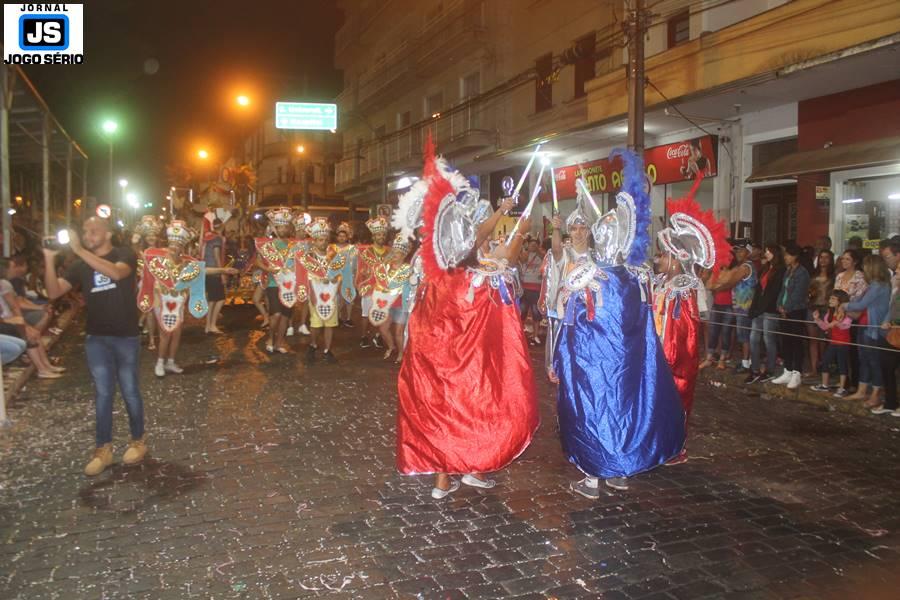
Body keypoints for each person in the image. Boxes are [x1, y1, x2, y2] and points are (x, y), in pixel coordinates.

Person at [394, 144, 538, 500]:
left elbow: (481, 247)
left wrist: (509, 223)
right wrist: (516, 229)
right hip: (456, 368)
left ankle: (463, 472)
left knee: (453, 410)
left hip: (442, 366)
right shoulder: (462, 277)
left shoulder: (437, 273)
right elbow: (481, 248)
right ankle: (449, 475)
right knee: (466, 407)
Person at [546, 150, 685, 497]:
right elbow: (647, 330)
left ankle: (593, 477)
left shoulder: (585, 276)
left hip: (592, 368)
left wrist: (560, 361)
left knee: (594, 413)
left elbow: (570, 325)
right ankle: (619, 471)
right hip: (627, 369)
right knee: (623, 412)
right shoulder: (637, 277)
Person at [43, 217, 146, 476]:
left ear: (108, 233)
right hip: (96, 338)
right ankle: (103, 450)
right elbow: (54, 292)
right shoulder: (80, 266)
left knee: (130, 390)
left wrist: (78, 249)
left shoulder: (124, 254)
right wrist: (47, 258)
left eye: (93, 230)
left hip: (125, 336)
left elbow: (116, 273)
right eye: (85, 231)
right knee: (102, 394)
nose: (87, 235)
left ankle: (138, 441)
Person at [654, 179, 730, 463]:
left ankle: (675, 448)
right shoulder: (661, 282)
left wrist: (666, 357)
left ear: (675, 259)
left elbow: (683, 331)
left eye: (663, 254)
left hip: (676, 360)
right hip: (660, 354)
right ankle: (660, 444)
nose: (658, 259)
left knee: (675, 402)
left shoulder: (684, 287)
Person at [137, 221, 237, 377]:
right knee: (165, 333)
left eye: (178, 244)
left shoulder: (187, 262)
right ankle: (160, 362)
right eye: (172, 243)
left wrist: (223, 269)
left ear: (182, 246)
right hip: (161, 301)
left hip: (177, 303)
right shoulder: (156, 256)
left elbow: (202, 270)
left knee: (176, 333)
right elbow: (143, 261)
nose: (174, 247)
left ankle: (170, 362)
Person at [297, 218, 354, 364]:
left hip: (331, 294)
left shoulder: (333, 255)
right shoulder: (309, 257)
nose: (323, 242)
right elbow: (306, 277)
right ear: (314, 241)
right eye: (320, 240)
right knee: (316, 324)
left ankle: (327, 350)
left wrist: (336, 280)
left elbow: (339, 273)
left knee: (330, 323)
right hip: (315, 293)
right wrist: (312, 295)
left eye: (325, 239)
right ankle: (313, 344)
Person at [0, 259, 61, 378]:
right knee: (30, 336)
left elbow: (14, 305)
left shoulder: (3, 283)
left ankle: (46, 365)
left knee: (35, 333)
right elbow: (14, 307)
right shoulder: (5, 284)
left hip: (7, 320)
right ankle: (41, 368)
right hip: (6, 321)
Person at [845, 255, 891, 407]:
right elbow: (858, 302)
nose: (863, 269)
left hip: (872, 328)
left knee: (873, 361)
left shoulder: (879, 285)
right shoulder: (872, 285)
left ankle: (876, 394)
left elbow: (860, 304)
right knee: (863, 359)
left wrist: (845, 305)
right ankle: (862, 390)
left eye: (865, 266)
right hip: (864, 326)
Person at [708, 240, 756, 373]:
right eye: (737, 251)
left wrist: (716, 288)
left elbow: (730, 283)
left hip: (745, 306)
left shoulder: (746, 266)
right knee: (743, 335)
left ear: (748, 252)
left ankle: (746, 363)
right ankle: (747, 361)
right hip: (741, 306)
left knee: (744, 336)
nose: (738, 253)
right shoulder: (743, 265)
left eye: (741, 250)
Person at [255, 208, 299, 354]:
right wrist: (268, 270)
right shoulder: (268, 245)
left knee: (286, 315)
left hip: (290, 285)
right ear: (275, 228)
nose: (282, 229)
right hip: (274, 283)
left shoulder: (295, 245)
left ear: (289, 228)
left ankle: (280, 342)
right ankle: (270, 338)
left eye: (285, 226)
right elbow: (258, 262)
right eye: (279, 226)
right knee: (276, 314)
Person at [769, 245, 811, 389]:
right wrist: (779, 305)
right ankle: (787, 370)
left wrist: (787, 308)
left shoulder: (802, 273)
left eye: (787, 255)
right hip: (784, 310)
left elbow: (798, 294)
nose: (785, 257)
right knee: (785, 340)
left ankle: (796, 372)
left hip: (796, 311)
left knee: (796, 341)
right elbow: (782, 290)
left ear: (795, 256)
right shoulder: (788, 271)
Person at [368, 233, 413, 362]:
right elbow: (376, 279)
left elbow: (399, 284)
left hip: (401, 305)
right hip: (385, 304)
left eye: (397, 253)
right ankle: (391, 347)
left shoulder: (408, 269)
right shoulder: (385, 267)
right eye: (393, 253)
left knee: (398, 332)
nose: (394, 255)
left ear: (403, 255)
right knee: (383, 329)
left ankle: (401, 354)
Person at [746, 245, 785, 384]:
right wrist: (753, 308)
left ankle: (770, 370)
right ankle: (755, 369)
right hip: (759, 309)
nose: (766, 253)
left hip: (770, 310)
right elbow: (759, 289)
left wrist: (760, 308)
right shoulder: (765, 269)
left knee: (769, 340)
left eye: (769, 251)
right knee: (754, 339)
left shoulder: (780, 270)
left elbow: (774, 292)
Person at [356, 217, 392, 349]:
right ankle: (364, 336)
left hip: (383, 289)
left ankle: (377, 335)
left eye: (383, 234)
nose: (381, 236)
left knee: (380, 313)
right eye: (378, 234)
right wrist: (363, 276)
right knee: (366, 314)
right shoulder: (366, 252)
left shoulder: (389, 252)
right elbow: (360, 269)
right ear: (373, 236)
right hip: (369, 287)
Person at [835, 249, 867, 389]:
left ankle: (855, 380)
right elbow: (835, 294)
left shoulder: (861, 277)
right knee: (840, 349)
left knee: (853, 350)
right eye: (843, 259)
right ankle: (843, 378)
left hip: (853, 315)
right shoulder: (839, 276)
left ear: (855, 261)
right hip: (839, 315)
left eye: (847, 259)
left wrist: (846, 307)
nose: (844, 261)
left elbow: (860, 297)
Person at [810, 290, 852, 396]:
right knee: (825, 361)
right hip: (833, 342)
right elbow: (825, 326)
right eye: (830, 298)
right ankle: (825, 385)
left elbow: (847, 325)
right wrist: (817, 319)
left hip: (843, 343)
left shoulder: (847, 313)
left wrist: (837, 324)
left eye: (833, 298)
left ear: (840, 301)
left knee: (842, 365)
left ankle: (842, 388)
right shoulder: (830, 313)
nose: (830, 300)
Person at [874, 239, 899, 416]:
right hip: (891, 328)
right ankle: (890, 402)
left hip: (896, 326)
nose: (886, 260)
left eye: (888, 256)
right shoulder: (894, 275)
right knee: (886, 364)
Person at [133, 216, 161, 350]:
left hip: (160, 286)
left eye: (153, 235)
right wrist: (135, 239)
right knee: (149, 312)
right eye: (148, 235)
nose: (151, 238)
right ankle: (151, 339)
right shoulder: (141, 252)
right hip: (145, 284)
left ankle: (160, 335)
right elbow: (134, 252)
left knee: (158, 312)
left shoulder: (162, 252)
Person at [806, 250, 835, 377]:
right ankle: (813, 368)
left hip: (826, 309)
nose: (823, 260)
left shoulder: (834, 276)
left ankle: (824, 367)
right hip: (812, 307)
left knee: (824, 340)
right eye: (821, 257)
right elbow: (807, 292)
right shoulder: (813, 274)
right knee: (813, 340)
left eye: (826, 257)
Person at [202, 218, 227, 334]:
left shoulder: (208, 237)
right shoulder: (217, 238)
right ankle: (212, 325)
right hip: (215, 271)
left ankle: (208, 326)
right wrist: (222, 273)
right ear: (222, 226)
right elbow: (217, 256)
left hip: (207, 270)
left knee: (212, 300)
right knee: (221, 299)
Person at [331, 222, 357, 328]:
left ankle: (348, 318)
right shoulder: (332, 248)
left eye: (344, 236)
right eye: (340, 236)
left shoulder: (352, 248)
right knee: (338, 298)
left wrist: (354, 276)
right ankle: (338, 317)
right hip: (336, 278)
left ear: (347, 237)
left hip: (349, 277)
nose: (341, 238)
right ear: (337, 237)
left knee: (349, 298)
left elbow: (355, 264)